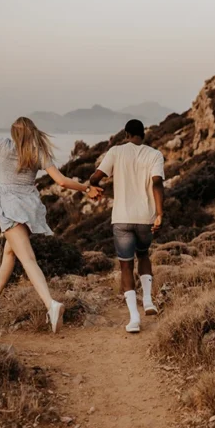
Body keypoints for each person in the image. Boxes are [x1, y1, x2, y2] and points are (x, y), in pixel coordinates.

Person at [0, 116, 102, 333]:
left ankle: (51, 304)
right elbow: (62, 181)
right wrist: (85, 188)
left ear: (14, 134)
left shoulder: (2, 145)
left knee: (27, 259)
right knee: (10, 253)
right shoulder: (38, 152)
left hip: (11, 208)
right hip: (30, 208)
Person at [89, 119, 164, 333]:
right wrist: (160, 214)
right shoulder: (154, 155)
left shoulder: (115, 151)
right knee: (144, 255)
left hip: (122, 218)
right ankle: (148, 301)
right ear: (143, 135)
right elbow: (157, 183)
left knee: (125, 266)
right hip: (145, 217)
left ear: (126, 134)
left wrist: (94, 187)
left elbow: (95, 177)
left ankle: (134, 318)